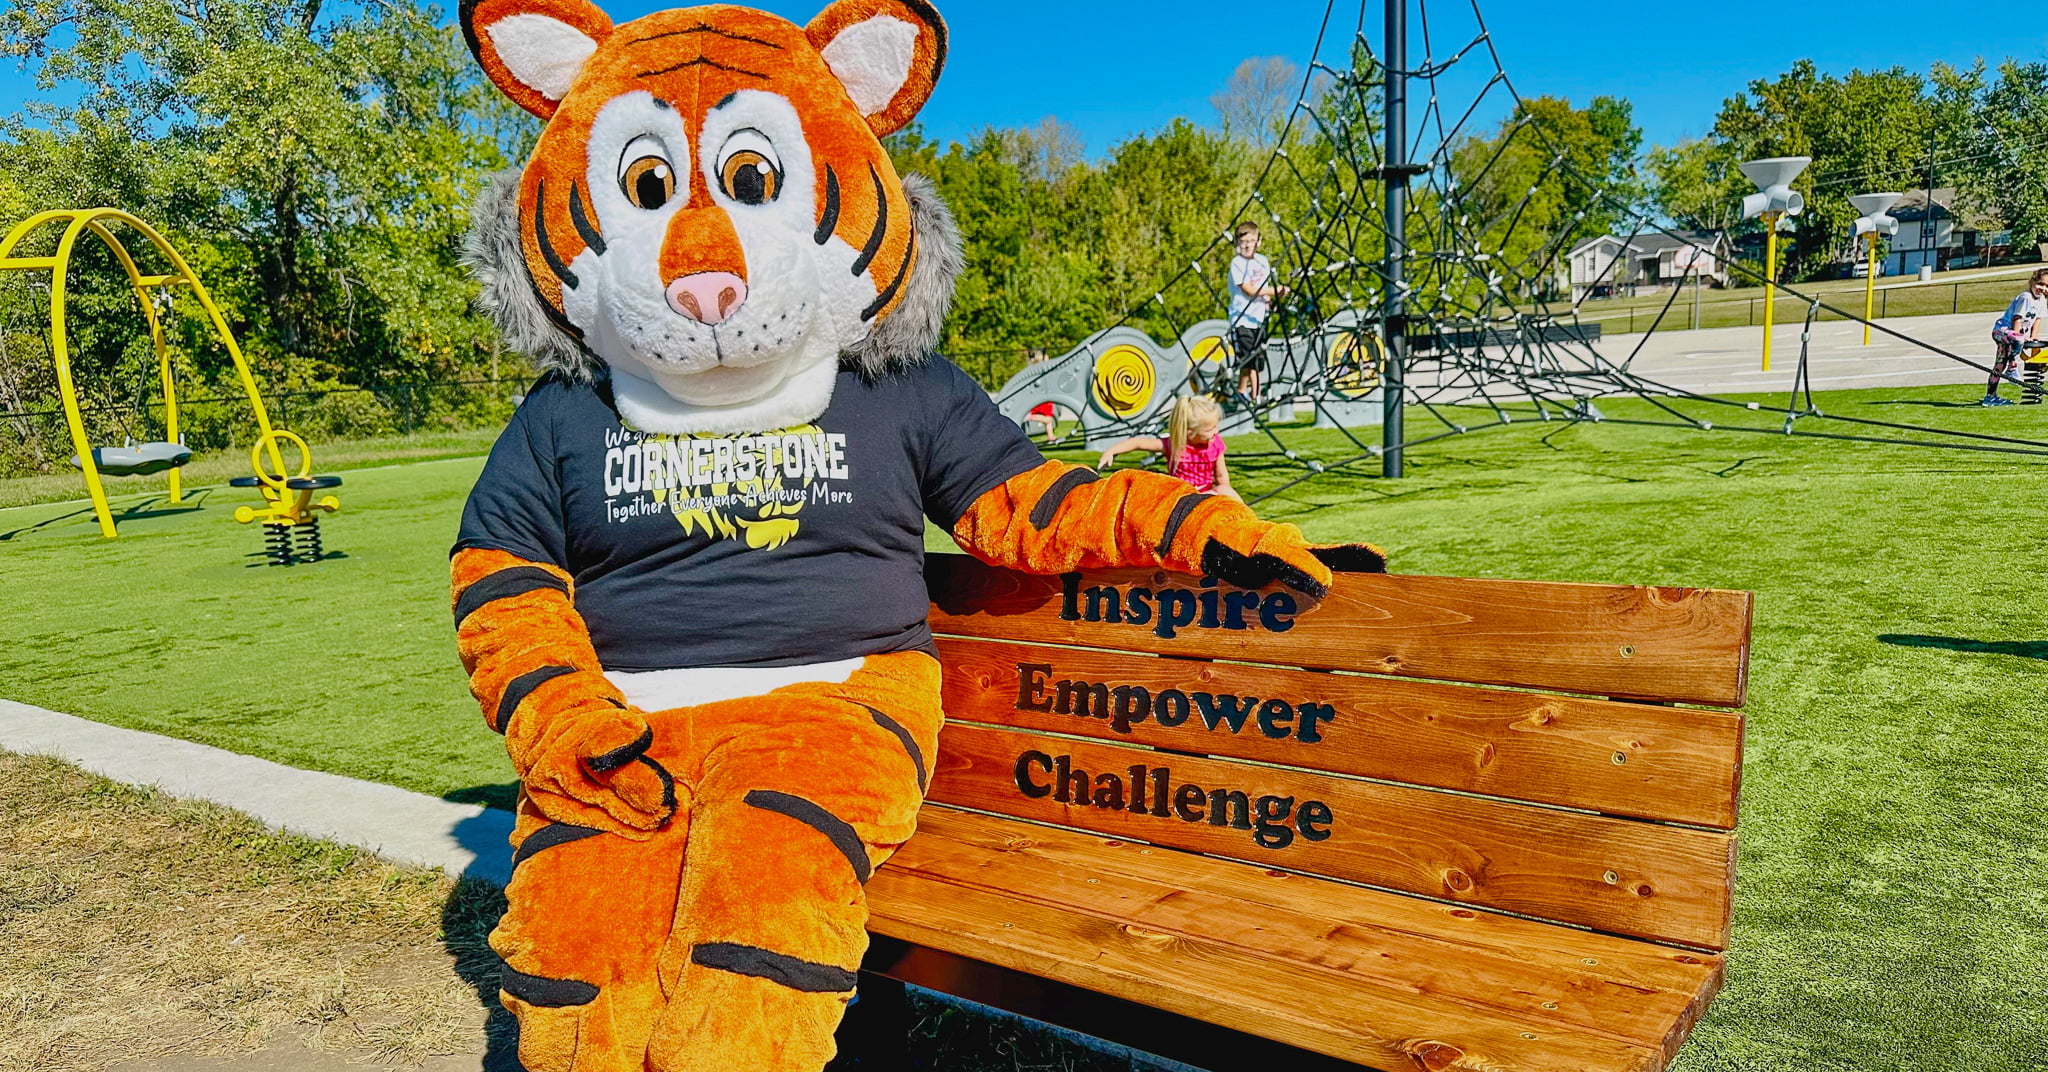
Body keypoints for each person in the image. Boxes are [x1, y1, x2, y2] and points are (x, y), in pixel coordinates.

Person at [1096, 394, 1238, 500]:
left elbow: (1221, 476)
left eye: (1216, 426)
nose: (1216, 431)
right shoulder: (1175, 445)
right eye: (1210, 429)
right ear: (1189, 432)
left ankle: (1247, 520)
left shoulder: (1215, 444)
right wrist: (1110, 452)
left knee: (1224, 489)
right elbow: (1137, 443)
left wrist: (1224, 492)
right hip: (1181, 496)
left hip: (1207, 494)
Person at [1227, 221, 1287, 404]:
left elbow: (1263, 288)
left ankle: (1244, 392)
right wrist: (1275, 291)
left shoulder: (1262, 261)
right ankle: (1252, 395)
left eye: (1251, 241)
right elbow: (1249, 290)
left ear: (1258, 242)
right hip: (1241, 318)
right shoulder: (1237, 263)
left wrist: (1272, 300)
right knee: (1249, 358)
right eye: (1243, 242)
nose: (1247, 245)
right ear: (1237, 243)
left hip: (1258, 318)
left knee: (1257, 360)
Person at [1984, 268, 2048, 406]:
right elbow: (2017, 318)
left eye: (2047, 286)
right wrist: (2019, 336)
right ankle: (2012, 368)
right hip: (2002, 332)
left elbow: (2037, 320)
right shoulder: (2026, 298)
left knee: (1999, 364)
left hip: (2014, 336)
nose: (2043, 288)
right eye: (2040, 284)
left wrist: (2033, 338)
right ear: (2032, 282)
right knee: (2018, 339)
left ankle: (1990, 397)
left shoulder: (2042, 301)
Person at [1020, 349, 1062, 442]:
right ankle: (1030, 417)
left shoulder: (1045, 372)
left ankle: (1051, 436)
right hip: (1043, 401)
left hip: (1047, 400)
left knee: (1049, 419)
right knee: (1048, 420)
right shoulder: (1039, 372)